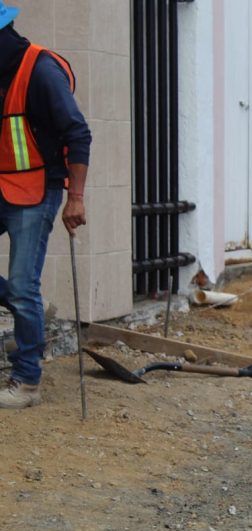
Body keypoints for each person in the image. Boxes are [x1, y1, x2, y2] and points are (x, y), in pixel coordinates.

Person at [0, 2, 90, 408]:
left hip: (36, 189)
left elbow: (78, 133)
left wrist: (76, 197)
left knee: (22, 284)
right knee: (20, 293)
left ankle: (27, 379)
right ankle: (28, 313)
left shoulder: (39, 69)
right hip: (2, 185)